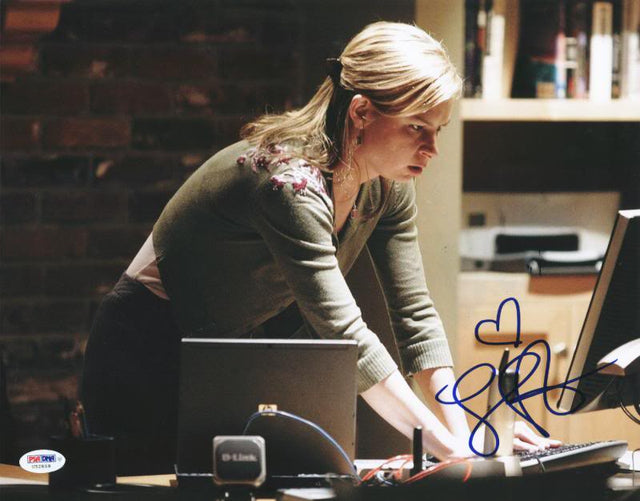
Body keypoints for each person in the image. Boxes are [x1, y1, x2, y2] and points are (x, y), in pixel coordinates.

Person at [81, 21, 558, 475]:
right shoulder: (288, 182)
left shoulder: (385, 185)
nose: (431, 148)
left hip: (226, 353)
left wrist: (465, 439)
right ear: (361, 112)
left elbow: (415, 316)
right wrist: (452, 451)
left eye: (439, 129)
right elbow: (344, 332)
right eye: (417, 127)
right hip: (147, 344)